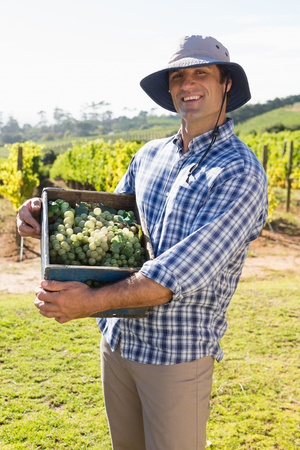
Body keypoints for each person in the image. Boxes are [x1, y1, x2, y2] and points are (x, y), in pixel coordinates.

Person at [17, 35, 268, 450]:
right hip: (118, 343)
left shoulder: (240, 173)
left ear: (226, 84)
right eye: (178, 76)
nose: (188, 84)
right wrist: (47, 216)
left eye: (201, 73)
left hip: (174, 358)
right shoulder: (149, 156)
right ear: (169, 89)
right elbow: (110, 228)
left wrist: (86, 303)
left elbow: (173, 276)